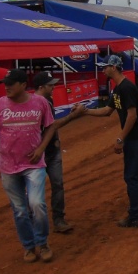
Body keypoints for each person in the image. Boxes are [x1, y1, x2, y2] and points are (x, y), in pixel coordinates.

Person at [0, 68, 59, 263]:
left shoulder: (40, 102)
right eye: (4, 84)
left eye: (11, 83)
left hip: (34, 164)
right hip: (8, 166)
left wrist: (41, 148)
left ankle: (42, 242)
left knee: (37, 204)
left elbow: (50, 126)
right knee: (20, 210)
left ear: (23, 85)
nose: (6, 87)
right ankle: (29, 246)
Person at [83, 55, 138, 227]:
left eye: (105, 67)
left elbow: (132, 115)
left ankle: (135, 216)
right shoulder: (118, 89)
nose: (103, 69)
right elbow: (107, 110)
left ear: (113, 67)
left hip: (136, 139)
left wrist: (120, 138)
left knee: (132, 176)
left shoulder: (126, 88)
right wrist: (85, 111)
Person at [32, 70, 84, 234]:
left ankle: (57, 219)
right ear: (41, 87)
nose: (53, 87)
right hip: (40, 152)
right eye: (50, 85)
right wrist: (74, 116)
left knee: (56, 185)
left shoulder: (47, 100)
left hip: (50, 150)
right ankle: (44, 222)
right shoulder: (37, 103)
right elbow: (52, 126)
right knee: (40, 189)